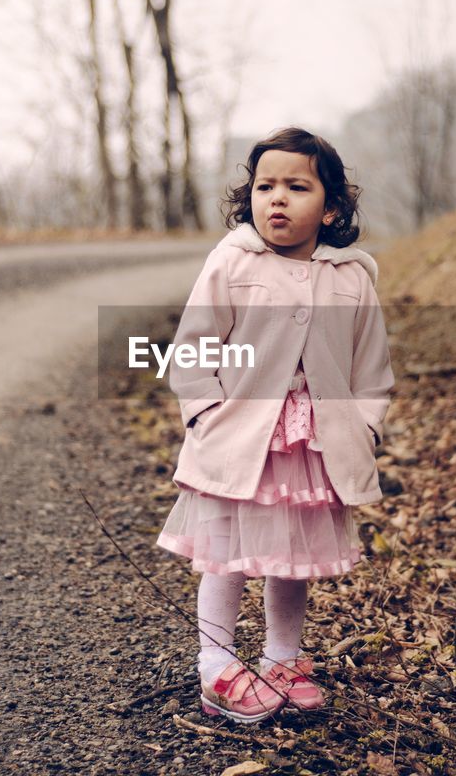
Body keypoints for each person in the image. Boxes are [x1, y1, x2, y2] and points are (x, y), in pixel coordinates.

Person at [156, 126, 394, 723]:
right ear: (250, 199)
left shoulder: (352, 277)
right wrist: (207, 414)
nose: (277, 198)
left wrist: (364, 427)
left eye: (296, 186)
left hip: (312, 445)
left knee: (294, 558)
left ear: (331, 206)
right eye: (265, 186)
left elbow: (372, 367)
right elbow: (192, 349)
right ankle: (216, 666)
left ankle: (282, 659)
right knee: (227, 553)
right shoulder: (233, 263)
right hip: (240, 439)